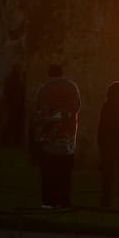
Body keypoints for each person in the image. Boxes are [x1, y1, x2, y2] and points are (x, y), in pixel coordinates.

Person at [31, 64, 80, 208]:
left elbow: (39, 110)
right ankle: (64, 200)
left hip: (49, 139)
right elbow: (76, 107)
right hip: (67, 138)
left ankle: (48, 201)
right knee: (64, 173)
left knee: (48, 173)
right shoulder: (71, 87)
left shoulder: (44, 89)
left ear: (49, 73)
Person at [97, 81, 119, 207]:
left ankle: (106, 199)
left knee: (107, 174)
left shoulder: (107, 106)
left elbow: (102, 124)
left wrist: (100, 140)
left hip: (109, 142)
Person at [0, 62, 26, 146]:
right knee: (11, 123)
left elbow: (22, 92)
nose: (19, 70)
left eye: (20, 68)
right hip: (12, 105)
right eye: (18, 69)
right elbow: (7, 91)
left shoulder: (20, 79)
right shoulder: (10, 79)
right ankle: (6, 140)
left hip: (19, 105)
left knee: (17, 123)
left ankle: (16, 140)